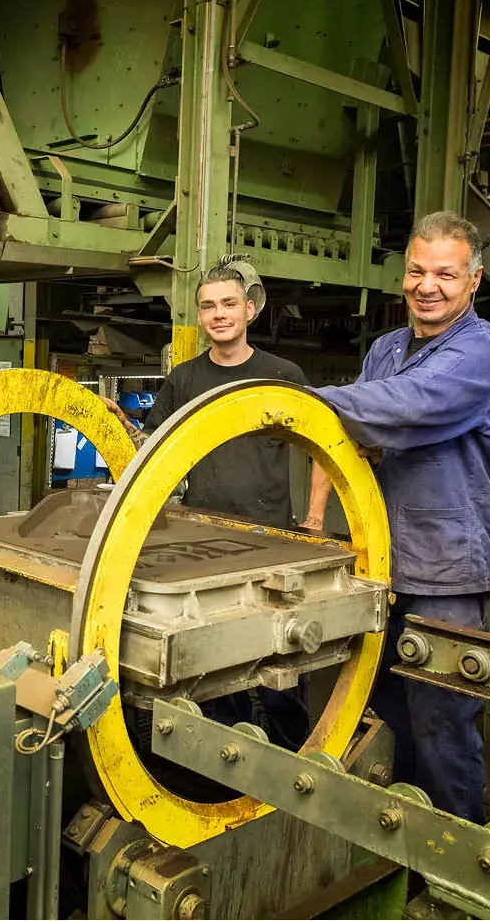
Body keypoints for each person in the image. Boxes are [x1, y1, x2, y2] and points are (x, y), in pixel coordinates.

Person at [304, 211, 490, 823]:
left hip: (446, 574)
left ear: (474, 281)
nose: (428, 285)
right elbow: (360, 430)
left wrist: (301, 400)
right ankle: (395, 848)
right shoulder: (387, 349)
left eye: (445, 274)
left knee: (443, 731)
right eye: (417, 271)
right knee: (385, 720)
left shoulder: (480, 352)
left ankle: (452, 873)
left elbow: (402, 407)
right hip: (380, 563)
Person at [106, 259, 324, 751]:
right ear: (200, 317)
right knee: (213, 665)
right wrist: (121, 423)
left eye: (229, 304)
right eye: (208, 306)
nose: (218, 314)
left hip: (269, 540)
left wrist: (313, 520)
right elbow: (154, 447)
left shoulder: (281, 374)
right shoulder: (184, 379)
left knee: (279, 663)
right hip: (202, 540)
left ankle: (291, 759)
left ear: (250, 310)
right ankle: (222, 764)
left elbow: (323, 449)